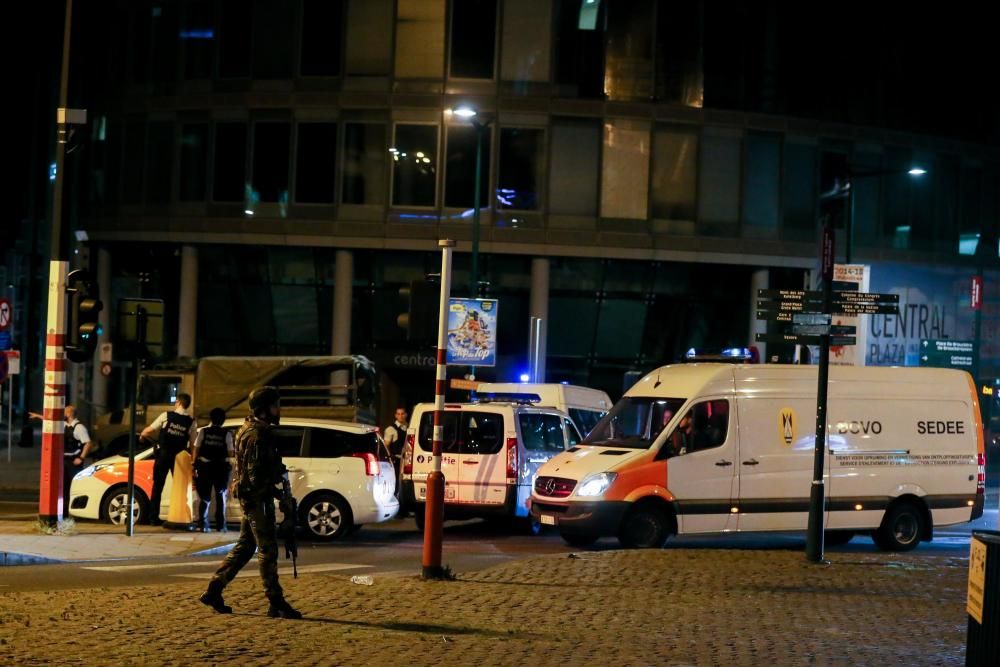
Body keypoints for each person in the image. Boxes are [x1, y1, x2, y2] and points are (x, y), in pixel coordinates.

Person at [200, 386, 301, 619]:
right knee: (268, 550)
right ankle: (275, 601)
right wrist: (278, 496)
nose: (279, 410)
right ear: (265, 409)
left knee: (245, 547)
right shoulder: (259, 434)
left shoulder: (248, 429)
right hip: (257, 500)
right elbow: (256, 475)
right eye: (275, 405)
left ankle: (214, 590)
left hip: (251, 498)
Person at [141, 393, 196, 526]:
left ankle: (153, 518)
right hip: (179, 458)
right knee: (180, 488)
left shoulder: (167, 415)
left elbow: (148, 431)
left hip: (163, 455)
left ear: (178, 402)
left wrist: (143, 435)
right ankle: (179, 516)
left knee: (158, 486)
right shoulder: (191, 421)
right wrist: (193, 462)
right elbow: (193, 444)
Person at [28, 405, 93, 508]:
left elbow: (88, 443)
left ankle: (77, 507)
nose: (62, 414)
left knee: (74, 486)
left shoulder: (79, 428)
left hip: (73, 462)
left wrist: (81, 458)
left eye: (65, 412)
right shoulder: (64, 424)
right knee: (63, 486)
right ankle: (65, 508)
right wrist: (38, 416)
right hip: (64, 460)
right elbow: (51, 421)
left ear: (70, 414)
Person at [192, 407, 234, 533]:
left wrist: (194, 464)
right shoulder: (227, 434)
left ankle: (203, 525)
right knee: (221, 496)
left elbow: (196, 448)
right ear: (223, 420)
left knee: (204, 496)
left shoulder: (203, 432)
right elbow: (231, 452)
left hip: (205, 467)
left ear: (211, 419)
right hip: (220, 468)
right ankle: (221, 526)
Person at [383, 406, 408, 495]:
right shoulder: (391, 429)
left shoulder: (409, 428)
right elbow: (386, 446)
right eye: (398, 414)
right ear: (395, 416)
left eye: (402, 414)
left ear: (406, 415)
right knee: (396, 481)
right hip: (396, 460)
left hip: (407, 460)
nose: (400, 416)